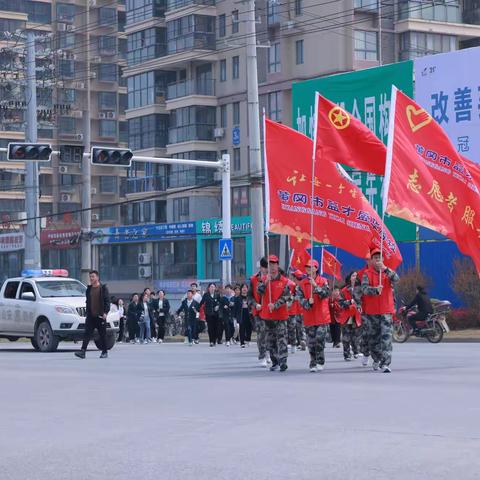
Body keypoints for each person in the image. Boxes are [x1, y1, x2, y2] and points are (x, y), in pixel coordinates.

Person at [361, 247, 400, 373]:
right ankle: (376, 358)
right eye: (375, 258)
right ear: (371, 260)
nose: (378, 260)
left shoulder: (387, 272)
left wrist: (385, 269)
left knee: (386, 337)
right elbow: (364, 289)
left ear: (383, 259)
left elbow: (396, 279)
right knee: (374, 339)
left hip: (386, 310)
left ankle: (386, 363)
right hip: (372, 312)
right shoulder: (367, 274)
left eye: (380, 257)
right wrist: (374, 290)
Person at [257, 255, 291, 372]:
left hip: (280, 315)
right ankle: (275, 361)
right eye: (269, 264)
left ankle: (283, 361)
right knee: (270, 340)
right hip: (268, 316)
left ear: (277, 265)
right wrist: (265, 283)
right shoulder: (264, 279)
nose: (271, 267)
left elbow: (286, 296)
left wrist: (275, 305)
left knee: (282, 339)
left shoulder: (284, 281)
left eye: (274, 264)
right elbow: (259, 292)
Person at [298, 259, 331, 372]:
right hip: (309, 317)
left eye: (311, 267)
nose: (308, 269)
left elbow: (326, 294)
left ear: (316, 268)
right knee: (311, 342)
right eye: (307, 267)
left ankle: (320, 361)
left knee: (319, 339)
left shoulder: (323, 281)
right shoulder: (302, 283)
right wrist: (308, 303)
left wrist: (315, 286)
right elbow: (300, 299)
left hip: (322, 316)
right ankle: (313, 362)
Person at [75, 270, 110, 359]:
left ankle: (104, 351)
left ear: (97, 277)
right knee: (87, 334)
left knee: (102, 335)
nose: (91, 278)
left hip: (100, 316)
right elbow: (88, 302)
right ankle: (82, 352)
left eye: (93, 276)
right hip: (91, 316)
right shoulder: (89, 289)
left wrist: (105, 312)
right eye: (90, 277)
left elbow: (107, 302)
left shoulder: (103, 288)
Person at [248, 257, 270, 367]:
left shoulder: (273, 278)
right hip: (258, 311)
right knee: (261, 333)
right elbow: (249, 296)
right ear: (261, 267)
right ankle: (262, 355)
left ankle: (269, 352)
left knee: (270, 333)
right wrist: (255, 304)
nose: (267, 270)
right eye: (266, 268)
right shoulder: (253, 279)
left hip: (270, 311)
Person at [339, 271, 363, 361]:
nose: (355, 277)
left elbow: (363, 301)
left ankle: (356, 351)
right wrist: (349, 302)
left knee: (356, 335)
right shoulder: (344, 290)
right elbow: (340, 303)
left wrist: (360, 306)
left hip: (357, 315)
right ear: (350, 277)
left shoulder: (360, 289)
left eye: (356, 276)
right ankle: (347, 354)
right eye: (353, 275)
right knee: (346, 336)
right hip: (347, 314)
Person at [235, 283, 252, 348]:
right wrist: (235, 316)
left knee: (249, 328)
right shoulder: (238, 298)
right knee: (242, 328)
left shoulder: (250, 297)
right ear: (241, 289)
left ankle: (247, 339)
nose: (244, 289)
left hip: (249, 314)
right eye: (243, 288)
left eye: (246, 288)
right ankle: (242, 342)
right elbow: (235, 308)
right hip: (241, 314)